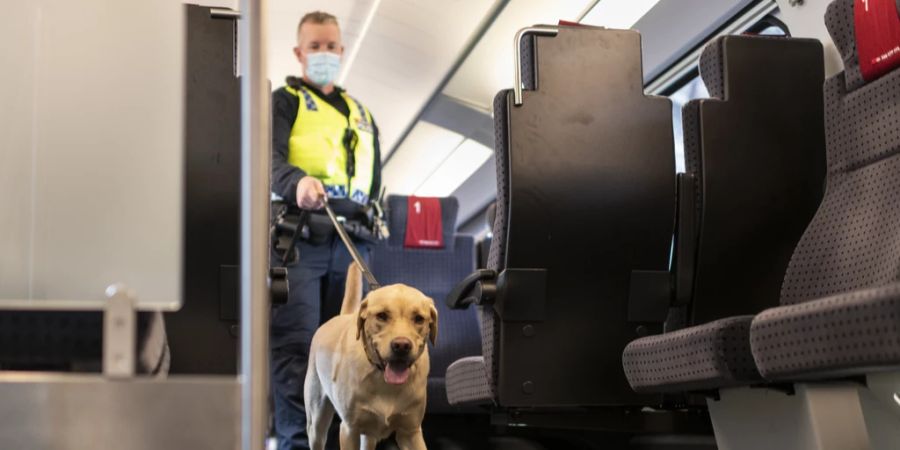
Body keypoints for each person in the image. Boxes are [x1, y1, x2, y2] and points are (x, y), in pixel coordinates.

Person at [269, 11, 383, 450]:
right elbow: (267, 160)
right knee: (299, 351)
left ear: (341, 50)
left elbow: (372, 180)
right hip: (301, 239)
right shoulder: (285, 102)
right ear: (299, 53)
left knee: (360, 349)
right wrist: (296, 182)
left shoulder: (363, 115)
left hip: (354, 241)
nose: (323, 54)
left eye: (330, 46)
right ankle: (298, 444)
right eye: (314, 47)